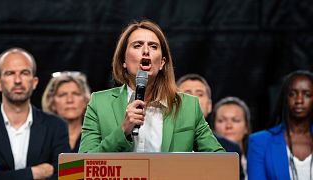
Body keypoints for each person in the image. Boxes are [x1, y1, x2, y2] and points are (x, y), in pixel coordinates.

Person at [79, 20, 224, 153]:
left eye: (153, 46)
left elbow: (221, 162)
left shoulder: (188, 106)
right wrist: (123, 131)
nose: (146, 51)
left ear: (162, 63)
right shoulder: (99, 103)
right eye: (137, 45)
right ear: (123, 60)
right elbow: (80, 168)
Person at [0, 48, 70, 179]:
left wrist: (1, 176)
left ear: (34, 82)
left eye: (24, 73)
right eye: (10, 73)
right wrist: (34, 173)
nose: (17, 80)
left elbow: (65, 175)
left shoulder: (56, 126)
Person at [177, 73, 245, 180]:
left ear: (209, 106)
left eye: (200, 94)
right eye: (187, 93)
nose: (194, 98)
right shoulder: (162, 138)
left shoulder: (231, 149)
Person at [247, 70, 313, 180]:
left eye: (307, 94)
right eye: (292, 94)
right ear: (284, 98)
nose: (299, 100)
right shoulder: (259, 142)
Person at [42, 71, 91, 152]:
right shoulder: (41, 138)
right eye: (63, 94)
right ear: (52, 103)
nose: (70, 100)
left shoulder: (98, 137)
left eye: (76, 94)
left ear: (85, 101)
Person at [211, 96, 251, 179]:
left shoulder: (258, 160)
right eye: (221, 120)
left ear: (246, 127)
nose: (228, 126)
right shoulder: (204, 162)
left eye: (235, 120)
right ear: (213, 128)